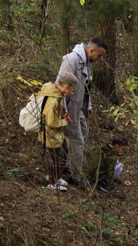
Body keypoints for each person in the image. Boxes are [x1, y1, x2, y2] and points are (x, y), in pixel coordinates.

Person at [56, 38, 107, 187]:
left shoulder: (86, 61)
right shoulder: (71, 60)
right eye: (99, 55)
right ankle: (76, 176)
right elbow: (60, 86)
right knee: (77, 140)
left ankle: (68, 163)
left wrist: (88, 106)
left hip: (79, 107)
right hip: (69, 109)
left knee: (84, 132)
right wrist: (64, 111)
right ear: (91, 51)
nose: (100, 59)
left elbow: (85, 86)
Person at [37, 73, 79, 191]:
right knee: (58, 158)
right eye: (71, 88)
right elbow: (51, 122)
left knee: (64, 153)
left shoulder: (58, 95)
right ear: (64, 86)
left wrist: (63, 115)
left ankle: (54, 177)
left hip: (57, 134)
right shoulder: (53, 99)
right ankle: (52, 183)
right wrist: (64, 121)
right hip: (50, 134)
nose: (73, 90)